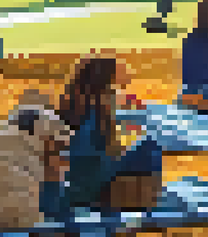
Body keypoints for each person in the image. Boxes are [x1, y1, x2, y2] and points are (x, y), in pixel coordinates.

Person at [58, 57, 164, 210]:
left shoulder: (73, 103)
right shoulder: (100, 107)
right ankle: (147, 201)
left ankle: (141, 198)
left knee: (141, 150)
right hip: (91, 184)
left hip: (73, 185)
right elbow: (109, 153)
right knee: (150, 146)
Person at [0, 90, 75, 230]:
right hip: (15, 223)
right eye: (56, 144)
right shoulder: (26, 157)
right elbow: (53, 208)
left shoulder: (0, 146)